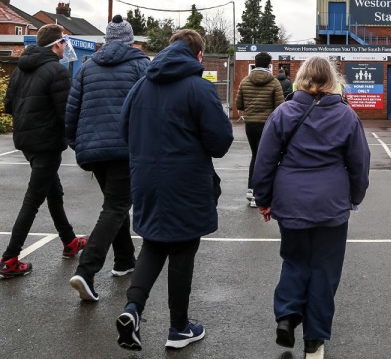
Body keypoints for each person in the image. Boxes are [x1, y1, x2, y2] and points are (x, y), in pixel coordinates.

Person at [115, 30, 233, 351]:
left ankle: (132, 309)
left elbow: (124, 129)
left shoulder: (141, 86)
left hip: (146, 179)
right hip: (187, 182)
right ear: (198, 56)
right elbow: (220, 142)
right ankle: (178, 327)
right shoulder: (199, 88)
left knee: (153, 244)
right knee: (182, 250)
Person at [251, 56, 370, 359]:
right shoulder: (346, 116)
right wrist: (355, 197)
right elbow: (359, 163)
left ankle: (287, 316)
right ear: (332, 80)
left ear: (301, 78)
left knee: (294, 260)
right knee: (324, 270)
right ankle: (314, 340)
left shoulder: (283, 113)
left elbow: (264, 161)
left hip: (291, 200)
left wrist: (263, 199)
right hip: (331, 203)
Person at [65, 15, 149, 301]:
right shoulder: (140, 65)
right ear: (129, 39)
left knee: (115, 203)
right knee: (116, 206)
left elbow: (72, 110)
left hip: (93, 149)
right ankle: (86, 270)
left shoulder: (88, 68)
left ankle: (124, 260)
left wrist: (77, 144)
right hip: (126, 147)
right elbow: (148, 108)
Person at [0, 24, 86, 279]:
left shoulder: (20, 70)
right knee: (33, 200)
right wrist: (76, 138)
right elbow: (66, 113)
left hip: (26, 141)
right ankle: (9, 258)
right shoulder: (56, 72)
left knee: (54, 192)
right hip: (47, 142)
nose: (65, 49)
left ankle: (69, 241)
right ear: (56, 45)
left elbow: (8, 105)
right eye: (63, 43)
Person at [236, 52, 284, 207]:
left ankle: (251, 189)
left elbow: (239, 105)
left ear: (255, 63)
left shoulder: (244, 81)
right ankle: (259, 195)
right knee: (265, 158)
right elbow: (280, 107)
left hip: (250, 124)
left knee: (255, 156)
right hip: (267, 124)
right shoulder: (274, 83)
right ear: (269, 64)